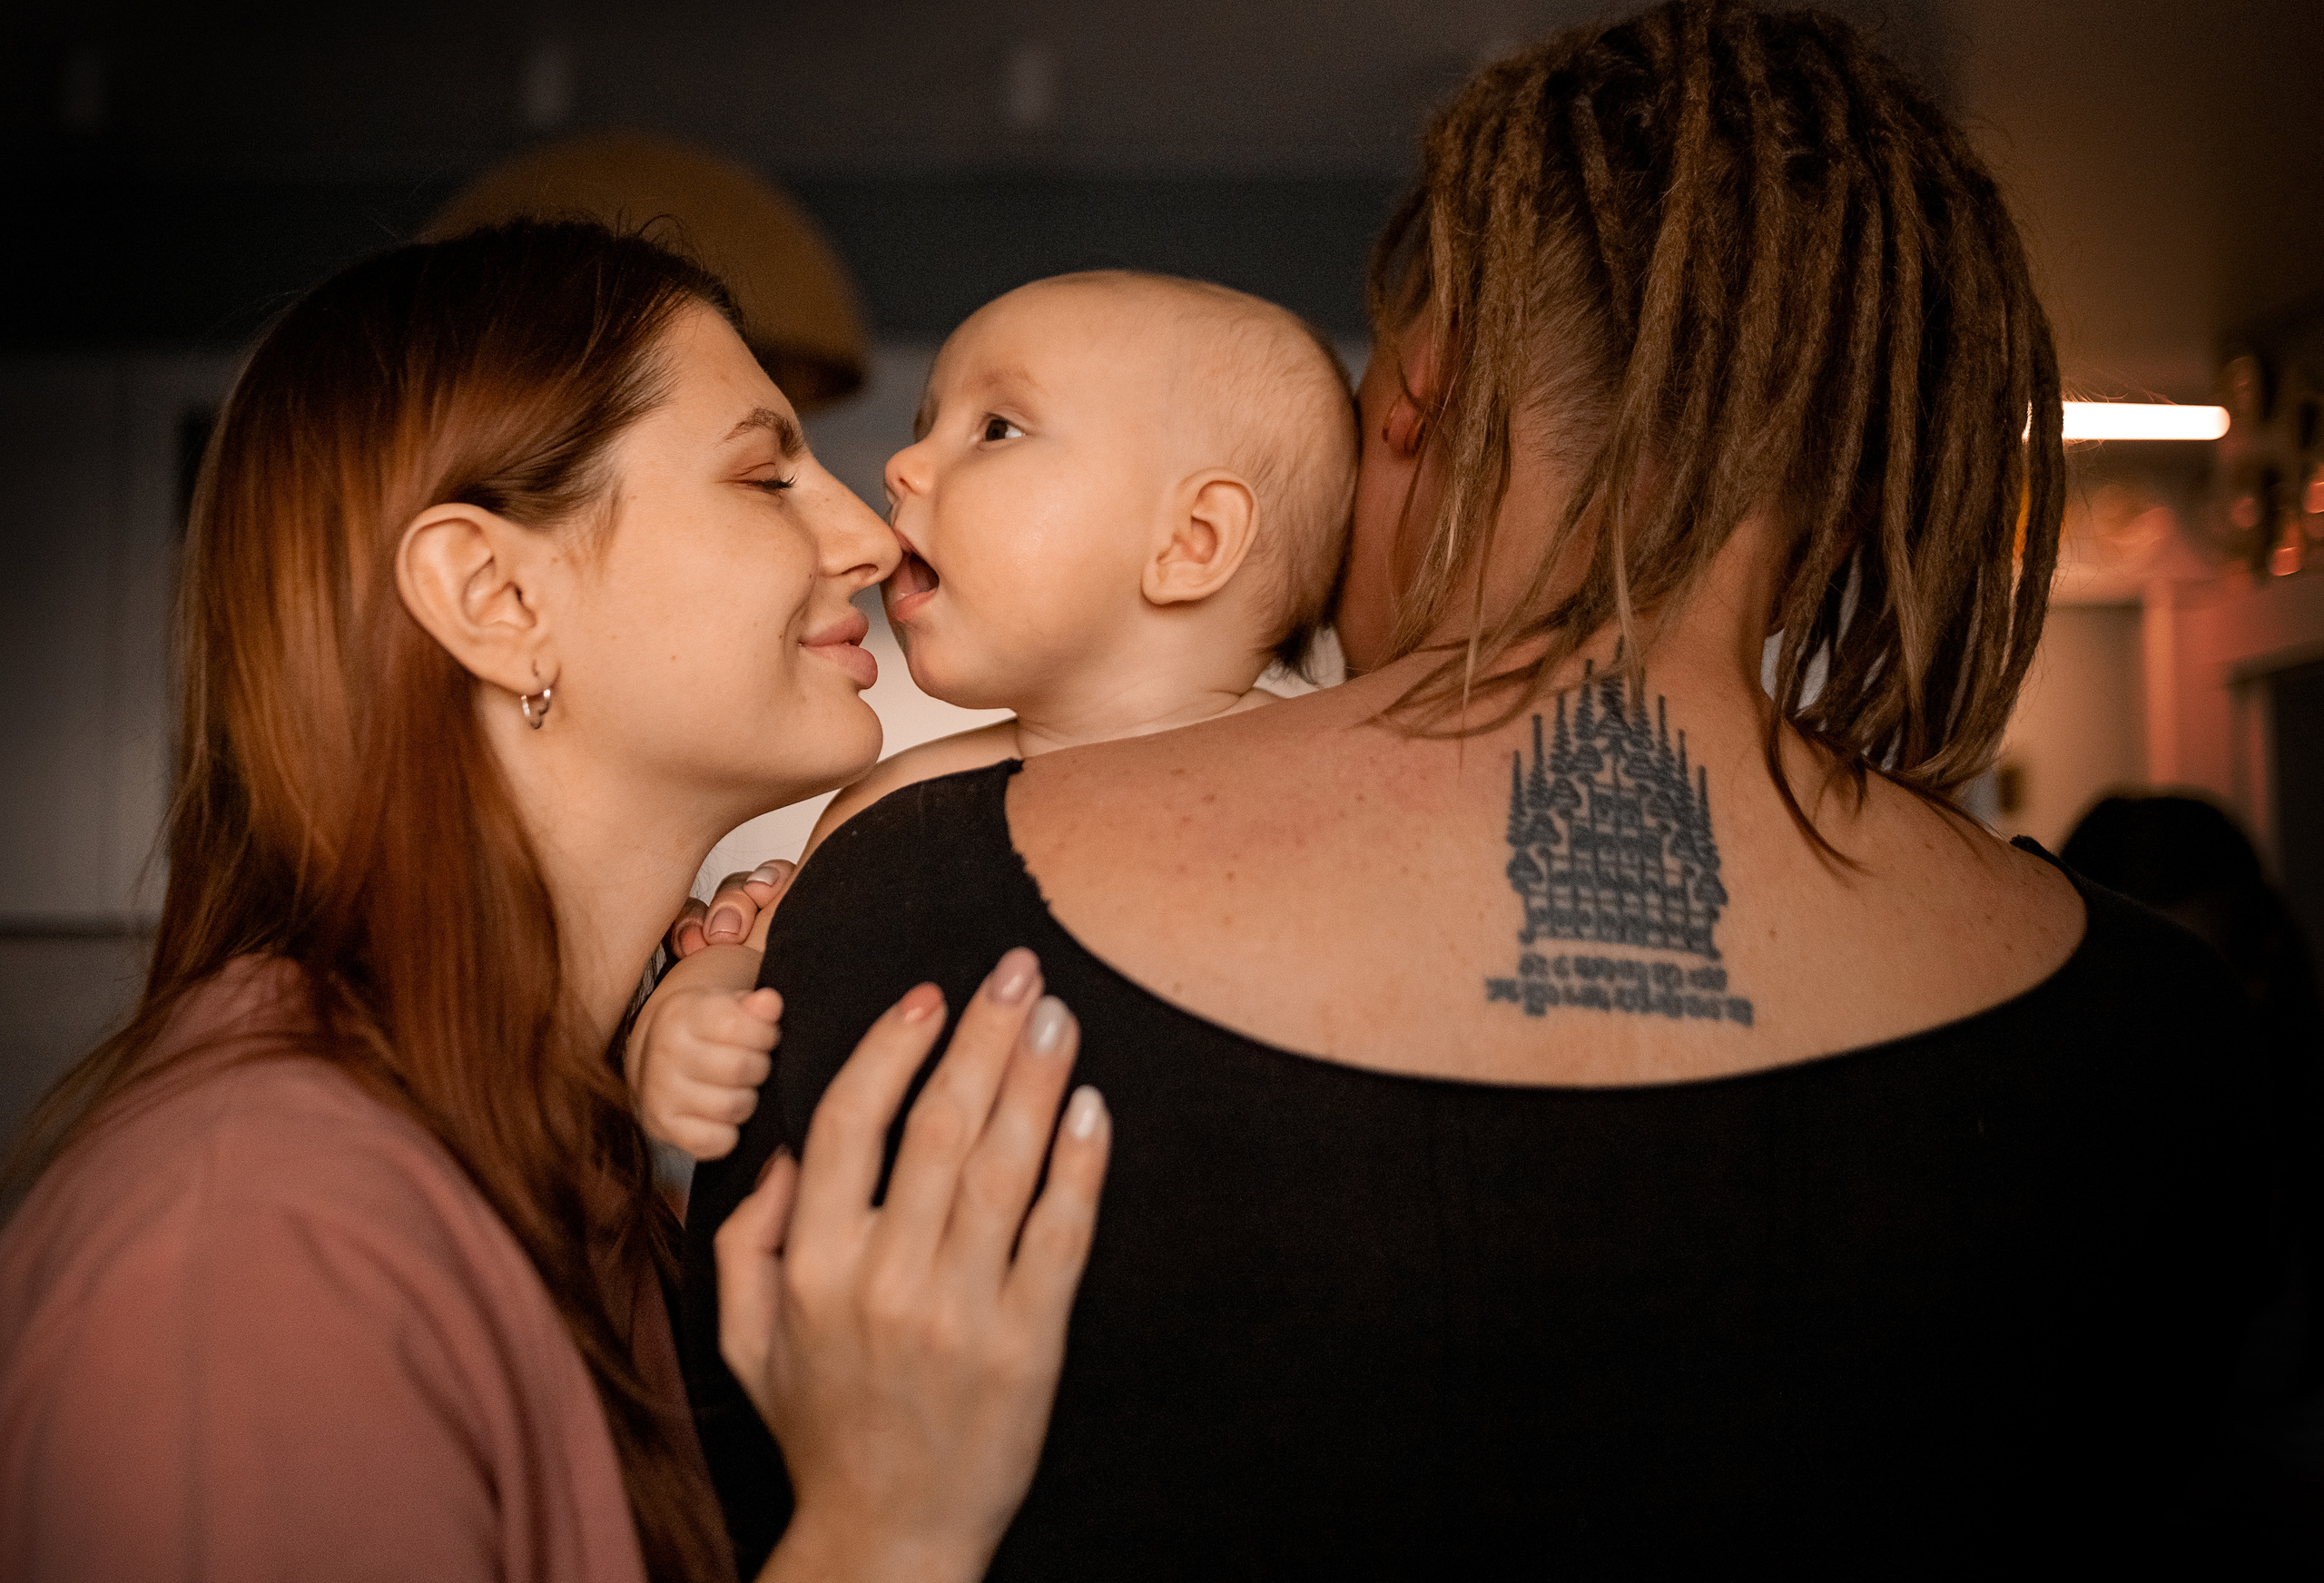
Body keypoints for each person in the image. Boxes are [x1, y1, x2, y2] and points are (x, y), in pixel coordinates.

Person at [682, 1, 2271, 1572]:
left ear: (1421, 400)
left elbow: (734, 1491)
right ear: (1850, 481)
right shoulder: (2169, 1038)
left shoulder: (918, 897)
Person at [0, 221, 1110, 1583]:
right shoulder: (251, 1247)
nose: (873, 541)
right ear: (494, 595)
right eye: (766, 477)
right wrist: (888, 1524)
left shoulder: (567, 1158)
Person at [626, 270, 1356, 1163]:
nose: (901, 468)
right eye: (921, 427)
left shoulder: (1344, 799)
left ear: (1189, 541)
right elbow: (762, 962)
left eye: (996, 429)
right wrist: (690, 1011)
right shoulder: (901, 807)